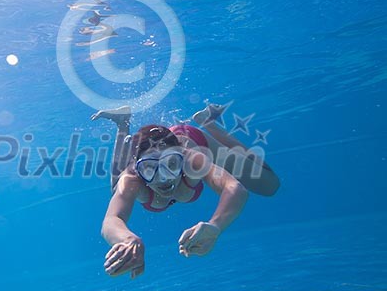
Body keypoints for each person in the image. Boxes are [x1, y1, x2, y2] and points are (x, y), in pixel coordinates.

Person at [91, 103, 280, 279]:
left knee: (269, 185)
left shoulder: (192, 159)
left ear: (181, 160)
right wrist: (129, 240)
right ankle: (122, 123)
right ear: (139, 169)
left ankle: (208, 123)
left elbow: (235, 188)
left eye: (171, 165)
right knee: (117, 191)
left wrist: (215, 226)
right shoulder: (132, 179)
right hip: (152, 154)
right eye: (150, 169)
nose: (163, 178)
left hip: (189, 137)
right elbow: (111, 220)